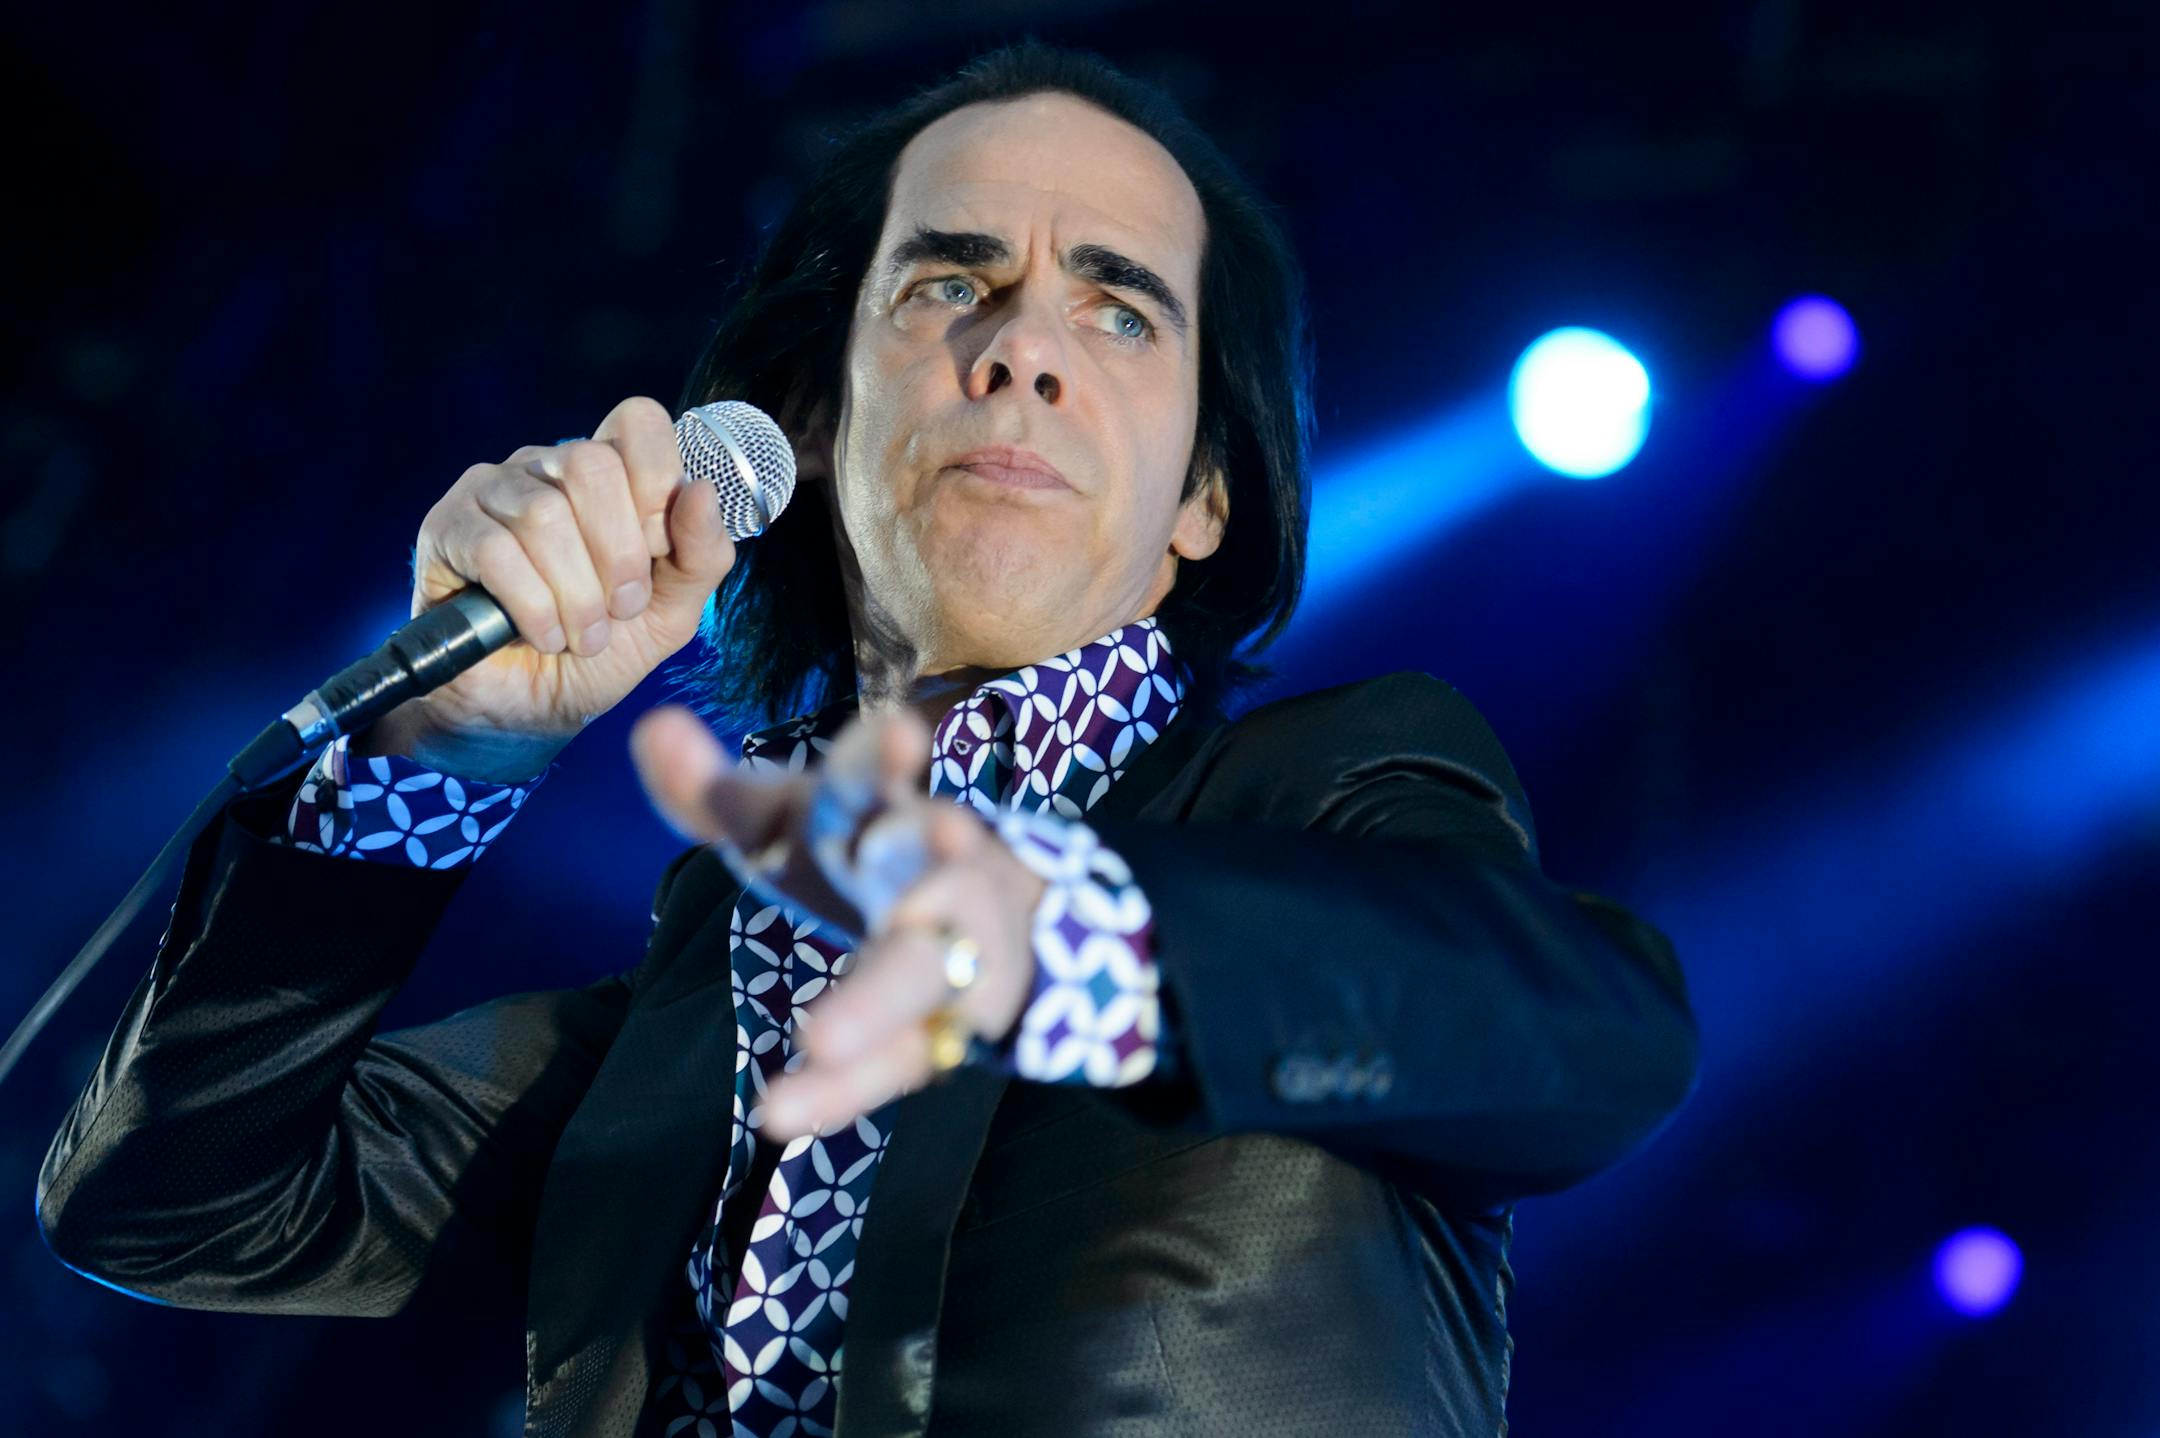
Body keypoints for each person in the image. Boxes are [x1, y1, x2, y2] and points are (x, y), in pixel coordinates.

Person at [35, 39, 1699, 1438]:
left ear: (1205, 496)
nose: (1024, 346)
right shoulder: (683, 1012)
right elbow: (173, 1197)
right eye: (951, 280)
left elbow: (1590, 1033)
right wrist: (440, 754)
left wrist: (1069, 935)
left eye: (1120, 313)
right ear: (812, 425)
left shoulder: (1331, 790)